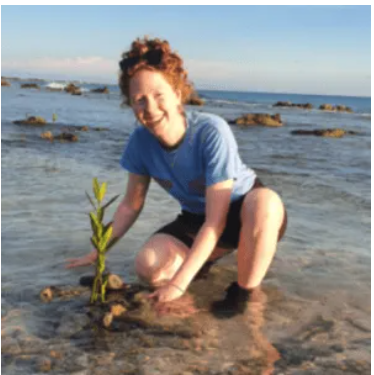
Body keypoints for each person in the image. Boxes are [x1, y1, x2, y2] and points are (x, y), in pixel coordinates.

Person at [66, 37, 287, 317]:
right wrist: (99, 249)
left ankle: (244, 295)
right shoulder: (139, 143)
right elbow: (130, 205)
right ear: (131, 105)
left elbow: (216, 221)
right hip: (198, 217)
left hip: (246, 212)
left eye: (159, 95)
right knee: (148, 265)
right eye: (139, 100)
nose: (151, 107)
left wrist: (179, 283)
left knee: (265, 202)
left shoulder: (211, 131)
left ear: (178, 94)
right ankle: (200, 282)